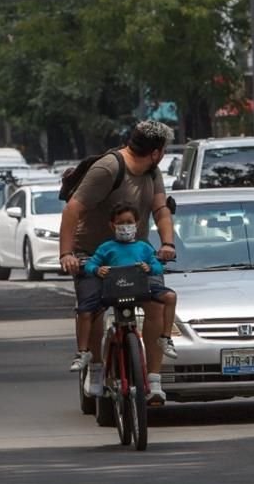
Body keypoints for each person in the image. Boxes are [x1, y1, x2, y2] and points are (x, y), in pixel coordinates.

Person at [59, 120, 177, 405]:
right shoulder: (108, 169)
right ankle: (97, 368)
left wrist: (167, 244)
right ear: (157, 151)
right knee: (94, 308)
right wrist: (67, 255)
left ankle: (154, 381)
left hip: (135, 254)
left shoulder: (152, 171)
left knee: (157, 305)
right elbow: (72, 210)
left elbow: (160, 209)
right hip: (92, 252)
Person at [81, 203, 178, 364]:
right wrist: (97, 270)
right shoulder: (106, 248)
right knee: (85, 311)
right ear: (112, 225)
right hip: (113, 290)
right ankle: (83, 351)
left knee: (170, 297)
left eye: (129, 222)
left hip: (140, 288)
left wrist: (149, 268)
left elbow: (157, 266)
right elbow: (91, 264)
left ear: (137, 223)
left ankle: (166, 338)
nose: (125, 227)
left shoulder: (144, 247)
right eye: (120, 223)